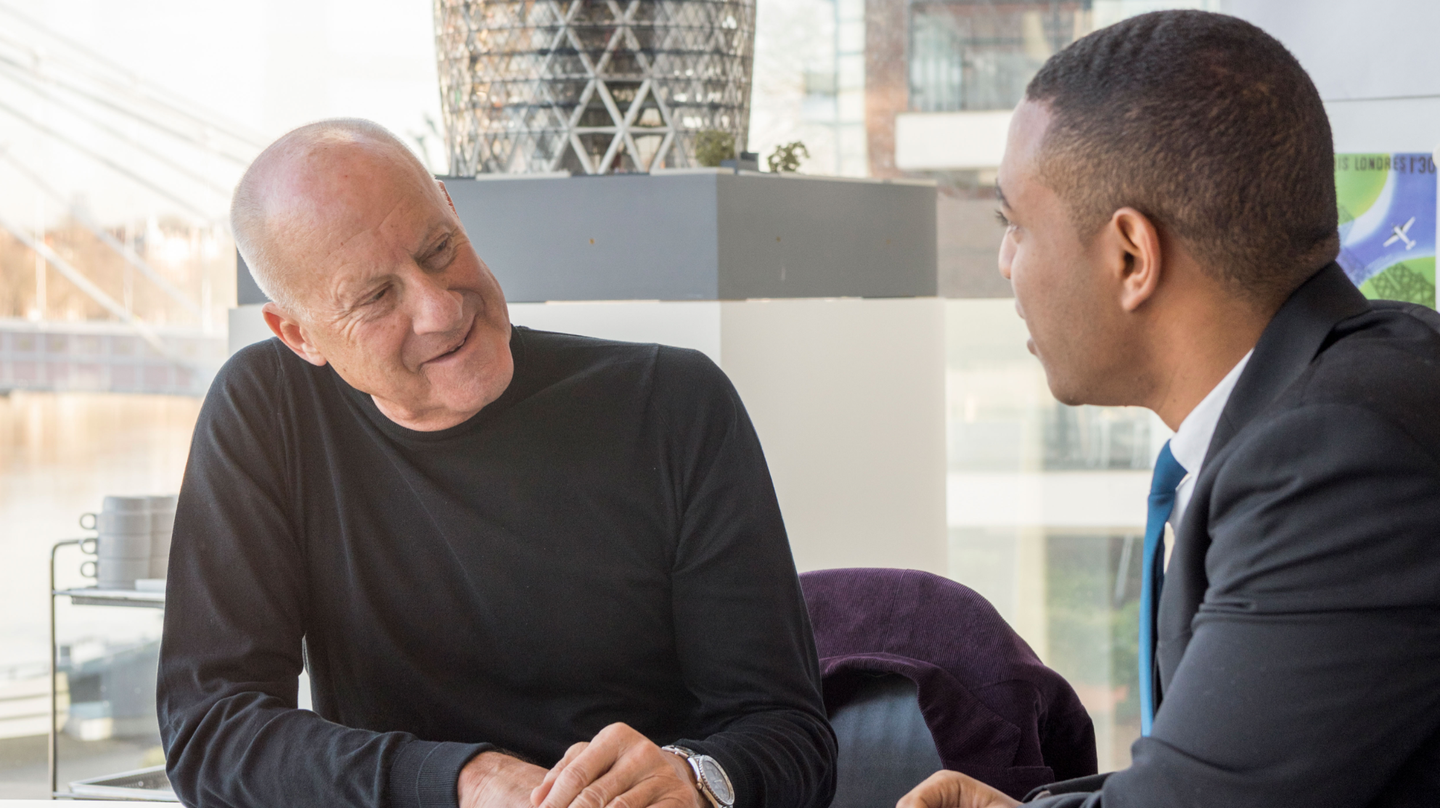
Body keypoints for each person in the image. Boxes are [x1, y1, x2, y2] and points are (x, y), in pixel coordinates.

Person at [157, 119, 837, 808]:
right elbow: (210, 732)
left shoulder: (674, 405)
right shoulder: (267, 411)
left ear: (453, 211)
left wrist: (695, 779)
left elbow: (790, 735)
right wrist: (462, 781)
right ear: (299, 335)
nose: (441, 308)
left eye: (438, 249)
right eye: (376, 298)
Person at [899, 10, 1440, 808]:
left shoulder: (1338, 456)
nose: (1006, 264)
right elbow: (1227, 764)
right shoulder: (1346, 388)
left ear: (1131, 257)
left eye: (1014, 225)